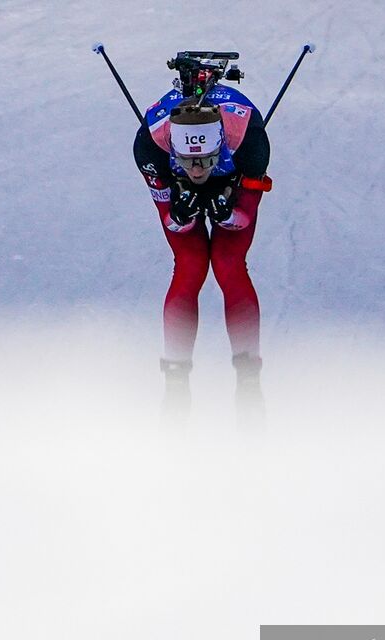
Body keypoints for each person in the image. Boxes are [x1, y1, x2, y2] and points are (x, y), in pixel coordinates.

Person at [133, 82, 272, 418]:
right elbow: (170, 221)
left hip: (232, 174)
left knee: (228, 263)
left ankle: (248, 377)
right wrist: (179, 214)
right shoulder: (150, 145)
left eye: (206, 160)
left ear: (221, 143)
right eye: (188, 161)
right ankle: (176, 379)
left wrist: (228, 214)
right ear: (172, 146)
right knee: (191, 263)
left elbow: (245, 215)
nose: (197, 171)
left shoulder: (249, 139)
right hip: (178, 176)